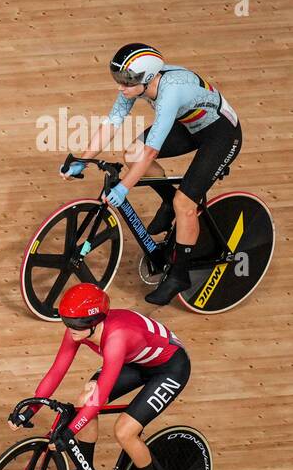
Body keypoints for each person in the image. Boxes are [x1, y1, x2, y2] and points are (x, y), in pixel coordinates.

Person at [66, 44, 241, 305]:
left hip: (220, 134)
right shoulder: (136, 84)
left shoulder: (170, 93)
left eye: (125, 82)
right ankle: (169, 202)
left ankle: (179, 274)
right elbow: (112, 122)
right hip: (190, 125)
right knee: (131, 154)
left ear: (146, 78)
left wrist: (124, 187)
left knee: (185, 203)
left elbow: (151, 152)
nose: (120, 88)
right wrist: (83, 158)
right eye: (118, 80)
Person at [10, 283, 191, 470]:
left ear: (94, 323)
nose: (71, 329)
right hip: (135, 361)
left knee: (125, 431)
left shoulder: (116, 336)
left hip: (169, 369)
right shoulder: (78, 328)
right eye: (67, 321)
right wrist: (30, 409)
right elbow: (56, 372)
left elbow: (99, 397)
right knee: (84, 398)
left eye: (77, 325)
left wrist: (70, 431)